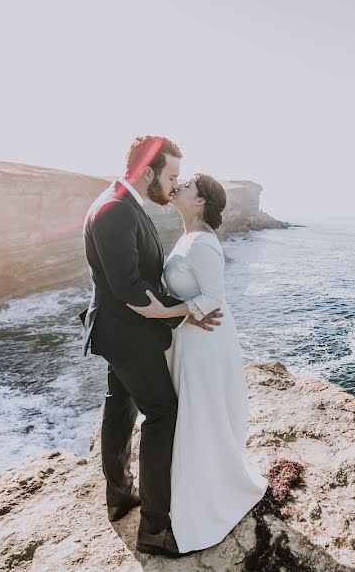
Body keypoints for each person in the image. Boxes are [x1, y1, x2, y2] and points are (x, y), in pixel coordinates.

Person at [79, 136, 222, 558]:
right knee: (164, 412)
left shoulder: (121, 202)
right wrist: (185, 311)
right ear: (147, 172)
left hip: (118, 330)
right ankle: (155, 528)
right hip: (127, 332)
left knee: (120, 403)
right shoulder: (112, 210)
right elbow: (130, 289)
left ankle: (119, 495)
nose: (174, 184)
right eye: (171, 175)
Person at [129, 172, 269, 553]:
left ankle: (204, 508)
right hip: (190, 338)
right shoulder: (188, 238)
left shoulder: (203, 243)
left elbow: (215, 299)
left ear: (201, 201)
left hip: (205, 341)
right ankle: (187, 494)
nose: (179, 186)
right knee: (191, 415)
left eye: (187, 184)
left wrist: (160, 313)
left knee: (199, 417)